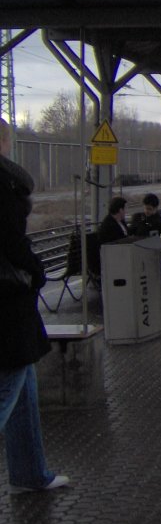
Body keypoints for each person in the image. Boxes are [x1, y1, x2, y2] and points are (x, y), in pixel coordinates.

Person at [0, 118, 70, 494]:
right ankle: (30, 474)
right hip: (8, 302)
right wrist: (36, 270)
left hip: (9, 301)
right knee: (8, 384)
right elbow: (13, 243)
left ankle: (29, 474)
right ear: (5, 141)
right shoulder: (4, 185)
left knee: (24, 385)